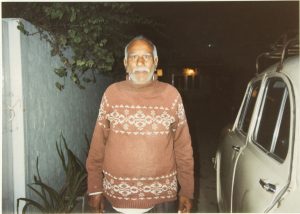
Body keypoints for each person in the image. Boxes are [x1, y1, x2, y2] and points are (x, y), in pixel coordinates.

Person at [86, 35, 194, 213]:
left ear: (156, 61)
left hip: (163, 199)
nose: (140, 61)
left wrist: (187, 191)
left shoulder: (171, 95)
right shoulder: (112, 94)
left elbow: (183, 148)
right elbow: (98, 145)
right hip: (117, 197)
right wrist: (95, 188)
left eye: (146, 56)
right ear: (126, 63)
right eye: (134, 57)